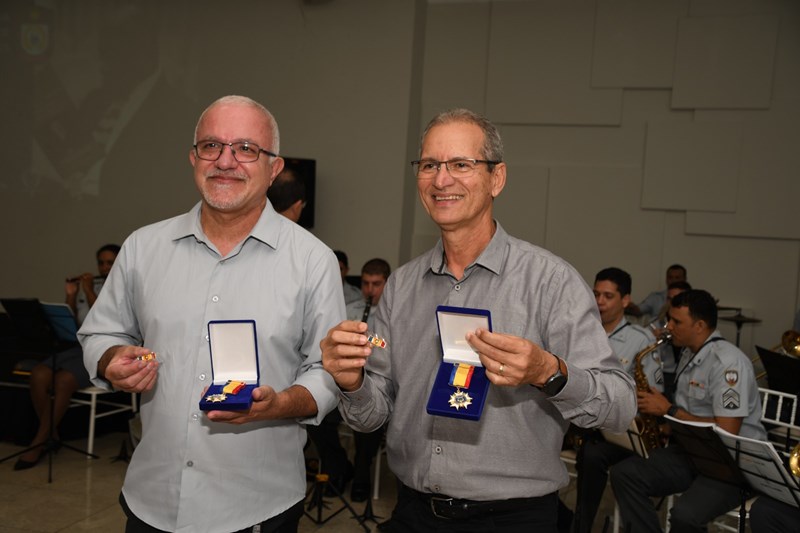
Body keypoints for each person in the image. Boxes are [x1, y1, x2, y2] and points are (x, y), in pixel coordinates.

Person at [321, 108, 636, 532]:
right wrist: (351, 382)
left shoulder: (550, 282)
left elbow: (619, 405)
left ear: (496, 179)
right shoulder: (402, 287)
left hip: (513, 519)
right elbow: (372, 415)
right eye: (430, 164)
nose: (441, 179)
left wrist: (549, 372)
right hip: (414, 513)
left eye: (460, 164)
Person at [78, 95, 344, 533]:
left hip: (256, 508)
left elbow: (327, 372)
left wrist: (279, 404)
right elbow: (100, 333)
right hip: (151, 501)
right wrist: (110, 361)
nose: (226, 161)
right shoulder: (144, 248)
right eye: (211, 146)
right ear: (193, 157)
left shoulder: (312, 261)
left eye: (246, 148)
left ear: (274, 168)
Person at [611, 289, 767, 532]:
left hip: (732, 463)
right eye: (669, 319)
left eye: (676, 321)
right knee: (625, 474)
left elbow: (727, 430)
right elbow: (692, 411)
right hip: (694, 452)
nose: (668, 326)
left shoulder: (728, 363)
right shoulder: (688, 352)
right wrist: (667, 426)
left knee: (685, 516)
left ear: (700, 325)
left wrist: (669, 411)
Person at [14, 244, 120, 471]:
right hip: (77, 348)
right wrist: (71, 296)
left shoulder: (120, 287)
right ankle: (51, 434)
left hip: (104, 351)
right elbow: (72, 324)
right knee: (40, 374)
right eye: (101, 262)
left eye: (110, 263)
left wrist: (90, 290)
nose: (104, 267)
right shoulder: (88, 290)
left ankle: (39, 442)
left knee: (63, 380)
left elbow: (101, 318)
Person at [571, 267, 660, 531]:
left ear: (625, 301)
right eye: (596, 294)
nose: (599, 301)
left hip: (617, 429)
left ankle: (581, 526)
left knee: (592, 454)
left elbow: (649, 395)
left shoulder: (640, 340)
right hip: (580, 417)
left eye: (607, 296)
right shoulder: (582, 331)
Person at [345, 258, 391, 501]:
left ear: (387, 283)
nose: (369, 290)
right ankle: (339, 467)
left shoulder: (394, 312)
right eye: (365, 283)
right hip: (347, 380)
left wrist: (370, 339)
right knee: (316, 417)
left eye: (376, 284)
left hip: (378, 381)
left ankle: (361, 475)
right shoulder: (351, 309)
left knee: (367, 421)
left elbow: (389, 347)